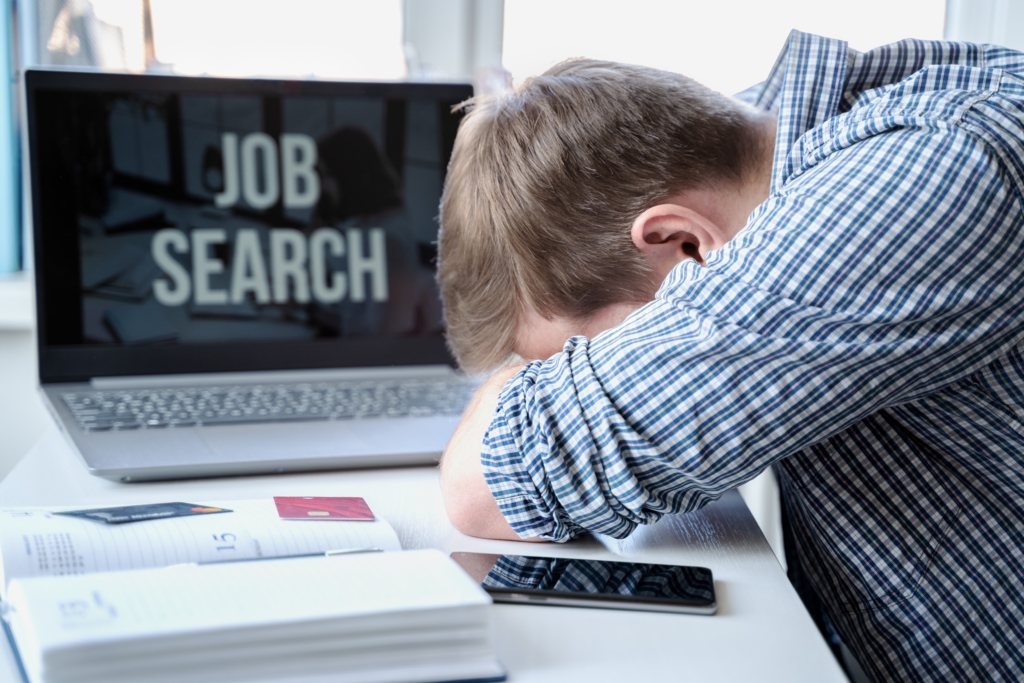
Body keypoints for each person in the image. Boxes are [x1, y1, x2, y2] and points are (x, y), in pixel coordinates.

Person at [436, 30, 1024, 682]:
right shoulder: (757, 149)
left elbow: (485, 486)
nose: (571, 377)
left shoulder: (930, 174)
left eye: (582, 356)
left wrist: (546, 399)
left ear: (683, 243)